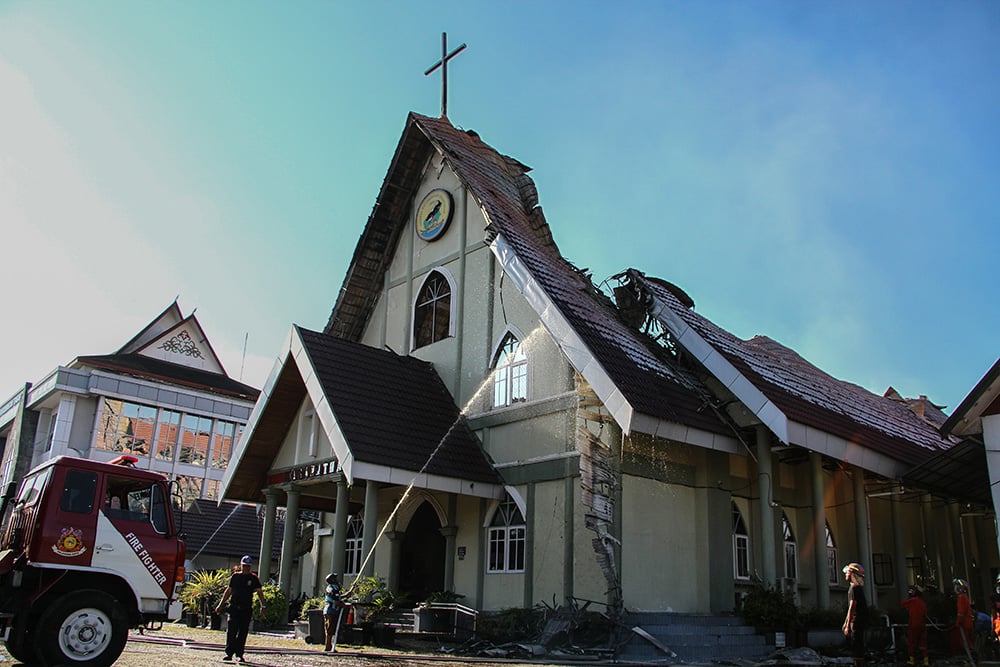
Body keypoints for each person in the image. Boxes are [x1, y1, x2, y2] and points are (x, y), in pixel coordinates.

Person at [215, 555, 265, 663]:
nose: (246, 568)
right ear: (241, 565)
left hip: (246, 609)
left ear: (250, 567)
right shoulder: (235, 577)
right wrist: (220, 605)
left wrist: (263, 606)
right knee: (231, 631)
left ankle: (239, 654)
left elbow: (260, 593)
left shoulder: (253, 578)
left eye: (248, 566)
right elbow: (228, 591)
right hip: (234, 608)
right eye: (244, 566)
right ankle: (229, 653)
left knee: (242, 632)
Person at [843, 562, 869, 667]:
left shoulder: (854, 588)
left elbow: (852, 607)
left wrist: (848, 625)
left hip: (857, 620)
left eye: (847, 573)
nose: (845, 575)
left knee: (856, 645)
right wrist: (846, 622)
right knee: (858, 644)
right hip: (859, 620)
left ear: (852, 574)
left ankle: (858, 664)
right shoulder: (857, 588)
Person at [901, 585, 929, 666]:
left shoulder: (912, 601)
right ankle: (926, 660)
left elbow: (902, 604)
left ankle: (912, 660)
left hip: (913, 624)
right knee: (923, 642)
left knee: (911, 642)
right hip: (922, 624)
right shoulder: (922, 602)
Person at [323, 573, 344, 652]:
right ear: (333, 580)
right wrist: (343, 605)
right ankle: (328, 646)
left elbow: (338, 597)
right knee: (330, 629)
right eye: (336, 578)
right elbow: (336, 602)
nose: (338, 580)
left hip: (327, 610)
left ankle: (329, 645)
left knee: (329, 629)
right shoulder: (335, 589)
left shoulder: (330, 587)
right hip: (331, 611)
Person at [954, 578, 973, 655]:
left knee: (965, 642)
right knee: (968, 641)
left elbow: (961, 612)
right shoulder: (965, 597)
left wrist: (958, 622)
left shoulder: (961, 597)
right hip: (968, 623)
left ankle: (970, 659)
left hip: (964, 624)